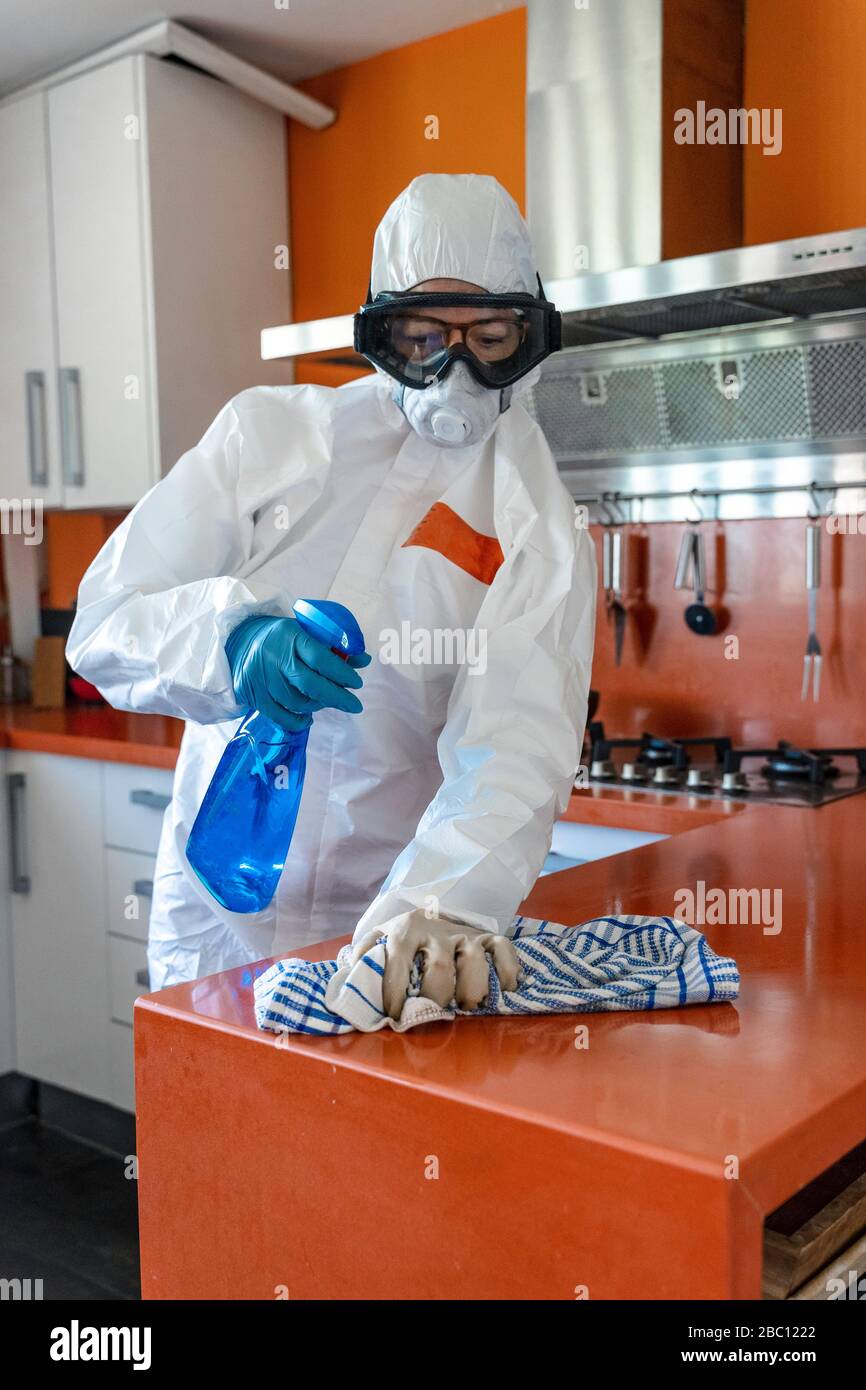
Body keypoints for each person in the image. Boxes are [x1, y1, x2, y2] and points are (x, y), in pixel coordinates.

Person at [67, 173, 596, 1014]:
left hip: (387, 928)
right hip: (215, 907)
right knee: (208, 1127)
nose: (456, 368)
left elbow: (515, 741)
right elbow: (104, 621)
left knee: (356, 1141)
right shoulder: (265, 436)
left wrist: (443, 903)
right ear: (379, 332)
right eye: (424, 336)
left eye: (490, 335)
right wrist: (228, 640)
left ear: (529, 337)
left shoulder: (538, 523)